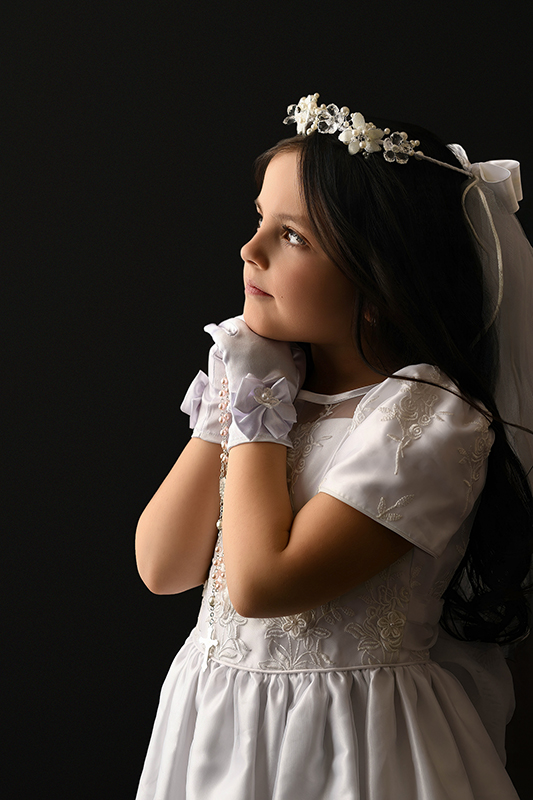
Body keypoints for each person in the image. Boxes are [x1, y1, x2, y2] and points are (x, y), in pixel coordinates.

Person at [135, 93, 533, 799]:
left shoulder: (427, 414)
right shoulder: (274, 390)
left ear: (377, 282)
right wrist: (233, 401)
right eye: (259, 219)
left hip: (351, 744)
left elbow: (262, 587)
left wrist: (255, 404)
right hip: (216, 725)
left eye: (291, 237)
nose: (248, 249)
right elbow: (164, 567)